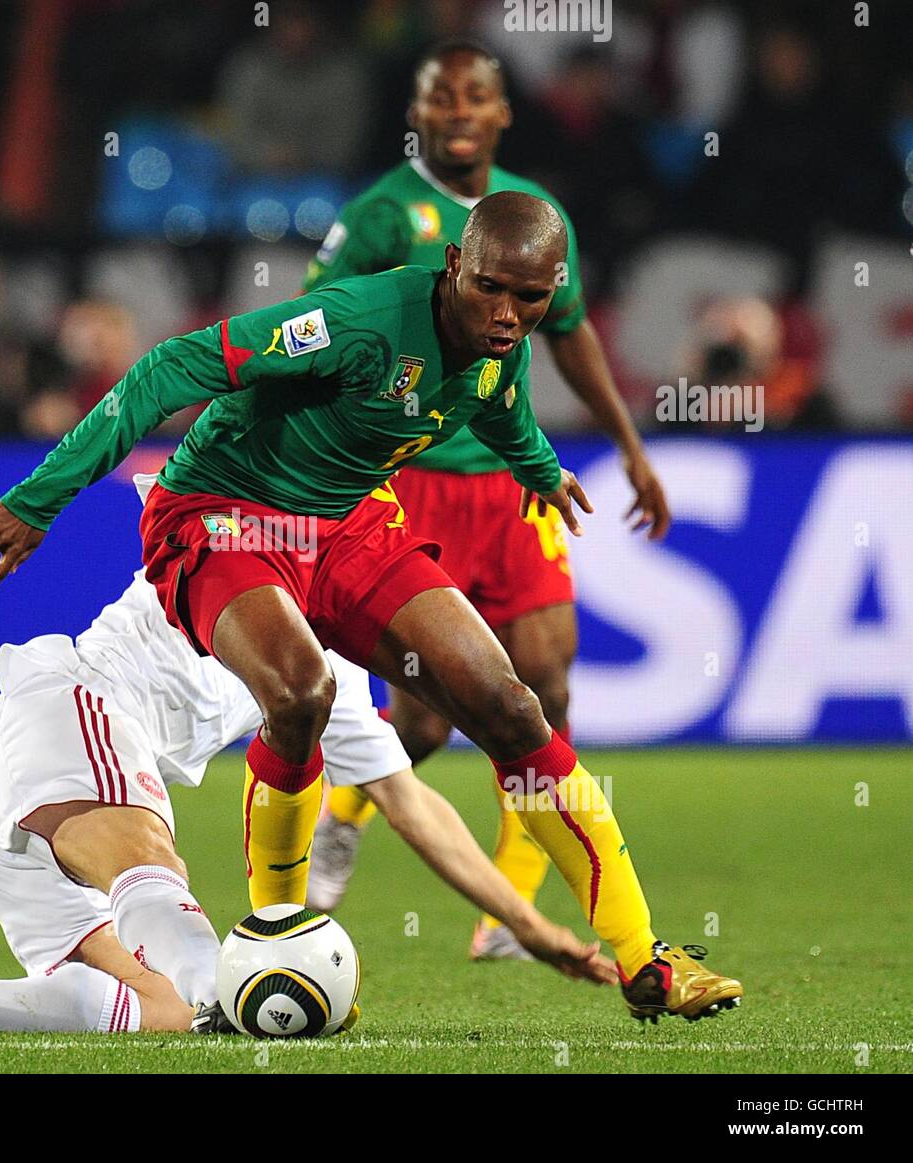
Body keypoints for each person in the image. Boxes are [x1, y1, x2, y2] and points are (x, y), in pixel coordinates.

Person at [0, 190, 742, 1021]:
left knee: (513, 707)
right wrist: (40, 499)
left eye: (531, 297)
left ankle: (646, 954)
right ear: (453, 266)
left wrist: (540, 468)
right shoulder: (355, 321)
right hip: (223, 512)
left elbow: (503, 408)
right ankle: (275, 929)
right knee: (300, 692)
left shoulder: (500, 341)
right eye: (492, 290)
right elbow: (167, 368)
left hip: (350, 525)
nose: (509, 315)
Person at [0, 554, 610, 1037]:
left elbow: (410, 804)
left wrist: (532, 925)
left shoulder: (323, 676)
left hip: (27, 818)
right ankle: (239, 988)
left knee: (166, 1009)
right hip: (71, 718)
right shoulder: (231, 540)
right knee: (169, 893)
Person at [301, 42, 672, 960]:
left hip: (511, 477)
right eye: (441, 98)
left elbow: (575, 335)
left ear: (504, 113)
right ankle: (347, 808)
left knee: (545, 674)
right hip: (414, 478)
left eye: (476, 98)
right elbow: (316, 333)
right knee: (428, 716)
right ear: (418, 112)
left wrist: (629, 448)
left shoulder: (534, 220)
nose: (459, 112)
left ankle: (514, 896)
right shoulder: (382, 215)